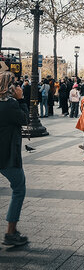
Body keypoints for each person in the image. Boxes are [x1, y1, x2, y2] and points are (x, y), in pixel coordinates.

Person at [0, 72, 29, 246]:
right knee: (19, 189)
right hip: (6, 155)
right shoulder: (10, 104)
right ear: (11, 86)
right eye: (16, 84)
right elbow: (25, 119)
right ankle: (10, 232)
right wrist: (21, 99)